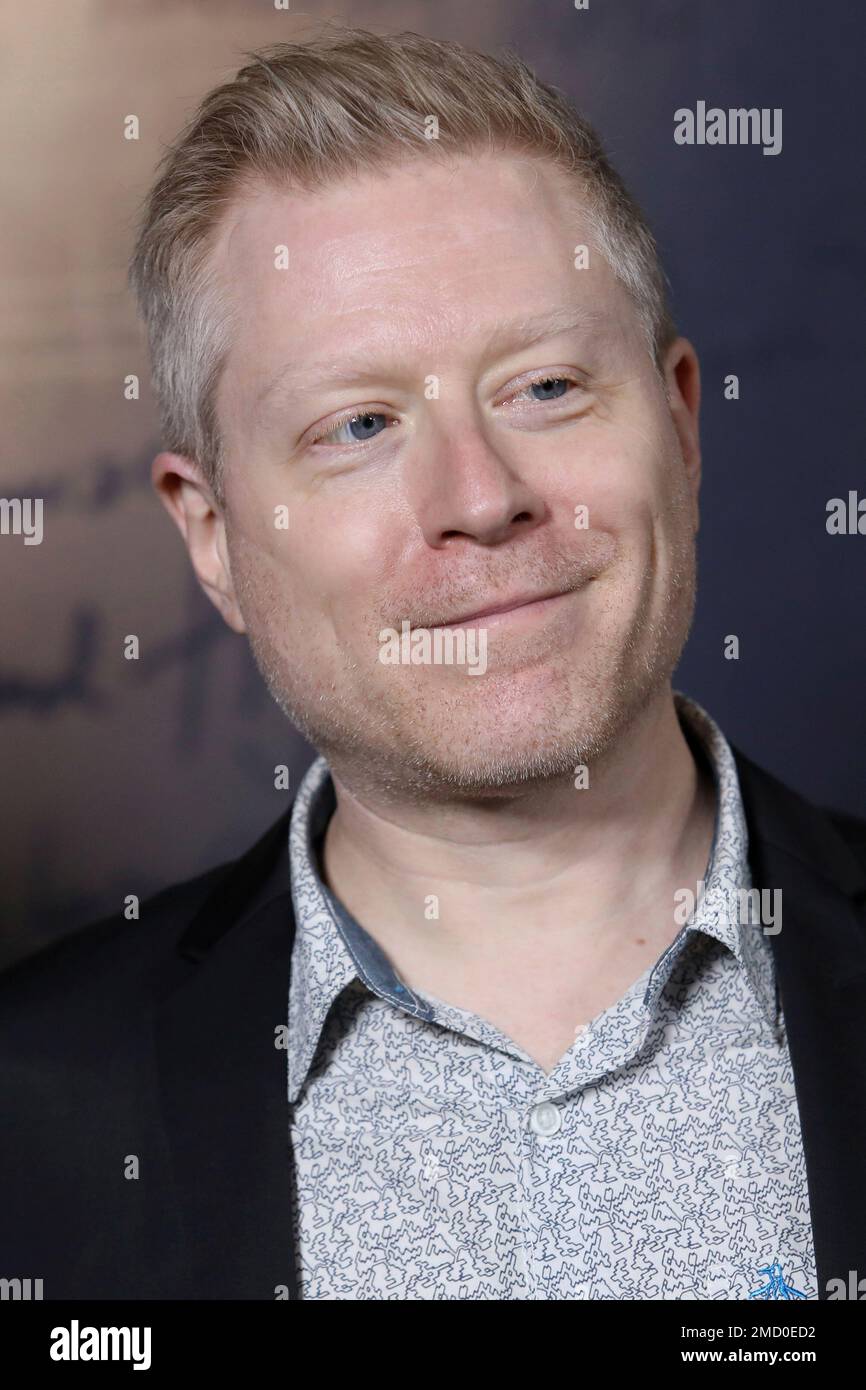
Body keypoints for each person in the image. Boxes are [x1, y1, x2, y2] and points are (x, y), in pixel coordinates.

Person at [2, 25, 865, 1302]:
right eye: (357, 424)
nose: (480, 497)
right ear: (213, 536)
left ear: (678, 426)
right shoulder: (29, 1121)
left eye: (545, 387)